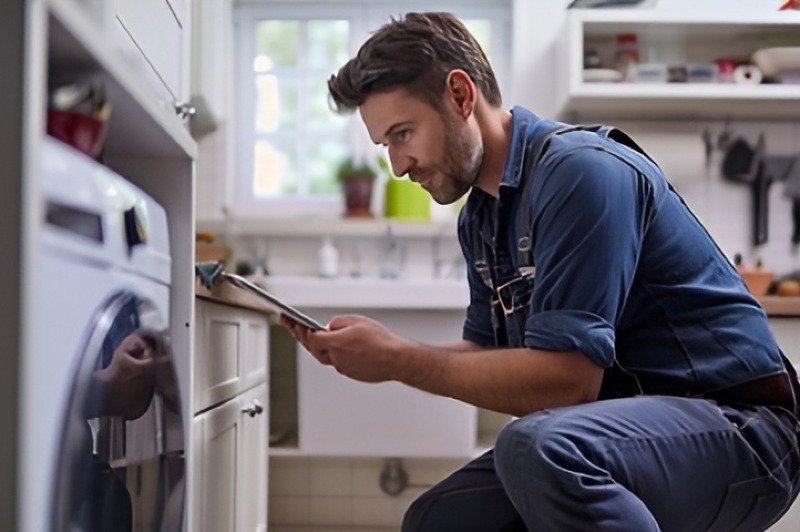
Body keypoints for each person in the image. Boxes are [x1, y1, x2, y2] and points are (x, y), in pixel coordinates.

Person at [281, 11, 800, 531]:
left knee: (537, 447)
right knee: (439, 518)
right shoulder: (481, 217)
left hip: (741, 433)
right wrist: (384, 350)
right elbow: (489, 356)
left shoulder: (582, 171)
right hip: (631, 436)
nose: (397, 164)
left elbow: (567, 384)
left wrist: (402, 361)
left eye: (403, 133)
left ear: (461, 96)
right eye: (385, 145)